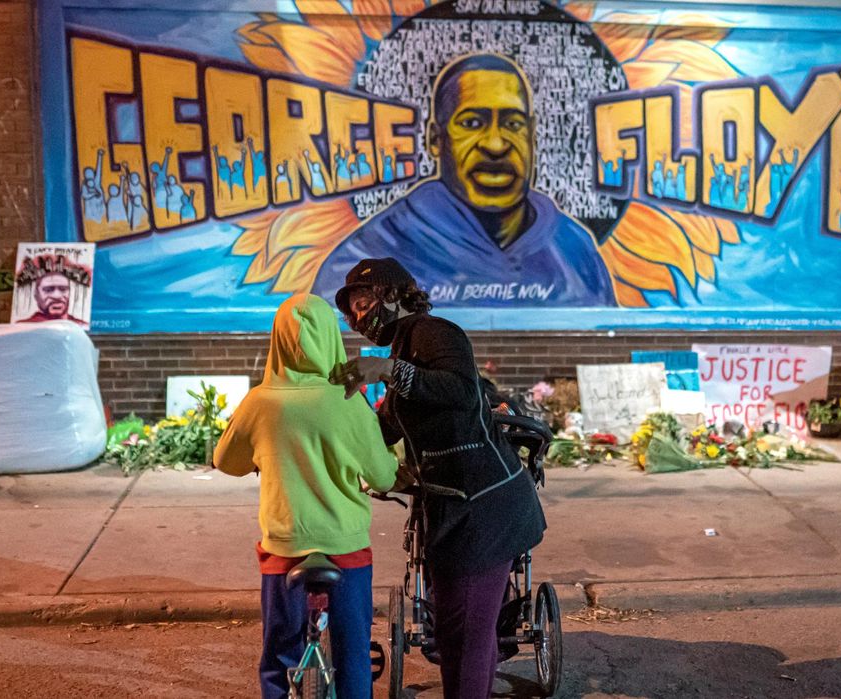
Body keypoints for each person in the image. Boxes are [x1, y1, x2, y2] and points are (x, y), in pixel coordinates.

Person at [332, 258, 547, 699]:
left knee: (463, 634)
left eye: (362, 302)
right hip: (455, 507)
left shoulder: (434, 332)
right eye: (351, 310)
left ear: (392, 294)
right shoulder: (404, 346)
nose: (357, 317)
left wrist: (387, 371)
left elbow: (460, 391)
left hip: (482, 508)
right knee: (466, 632)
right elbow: (384, 428)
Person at [311, 53, 614, 307]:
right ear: (434, 138)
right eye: (471, 123)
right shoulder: (366, 257)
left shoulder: (575, 249)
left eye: (512, 123)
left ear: (532, 136)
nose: (496, 145)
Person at [214, 293, 398, 699]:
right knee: (353, 654)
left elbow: (225, 460)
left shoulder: (260, 403)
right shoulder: (349, 402)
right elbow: (384, 478)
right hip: (345, 546)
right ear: (332, 337)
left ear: (277, 340)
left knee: (281, 655)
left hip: (284, 547)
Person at [19, 271, 86, 325]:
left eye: (63, 289)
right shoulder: (24, 327)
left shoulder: (81, 326)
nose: (57, 296)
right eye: (48, 290)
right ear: (36, 295)